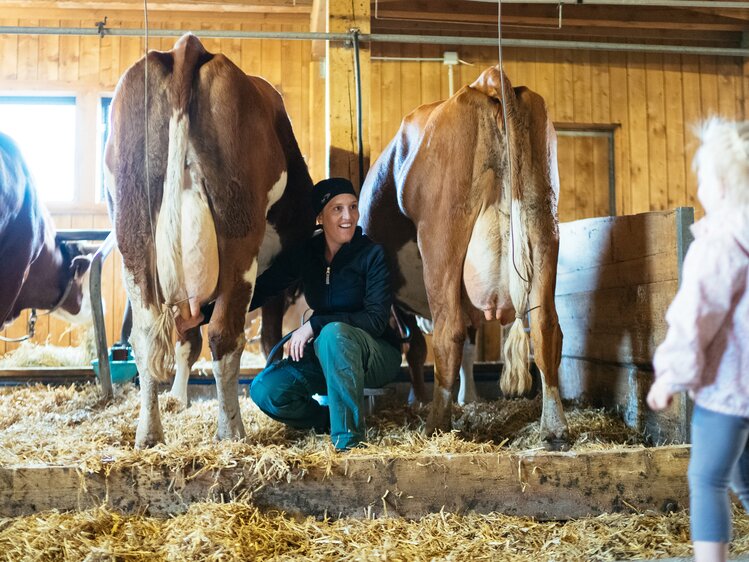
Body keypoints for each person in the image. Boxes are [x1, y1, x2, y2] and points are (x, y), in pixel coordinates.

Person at [647, 118, 749, 562]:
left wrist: (669, 376)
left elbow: (695, 316)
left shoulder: (718, 243)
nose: (700, 185)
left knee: (707, 480)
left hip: (726, 391)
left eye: (704, 176)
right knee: (746, 479)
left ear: (723, 185)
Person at [248, 177, 402, 451]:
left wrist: (315, 325)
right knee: (266, 390)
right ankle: (327, 421)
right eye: (337, 209)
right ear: (319, 217)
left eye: (353, 207)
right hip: (326, 354)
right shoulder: (308, 254)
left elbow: (376, 321)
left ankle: (349, 444)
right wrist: (207, 312)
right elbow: (263, 288)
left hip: (376, 355)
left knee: (333, 334)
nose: (348, 216)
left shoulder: (372, 255)